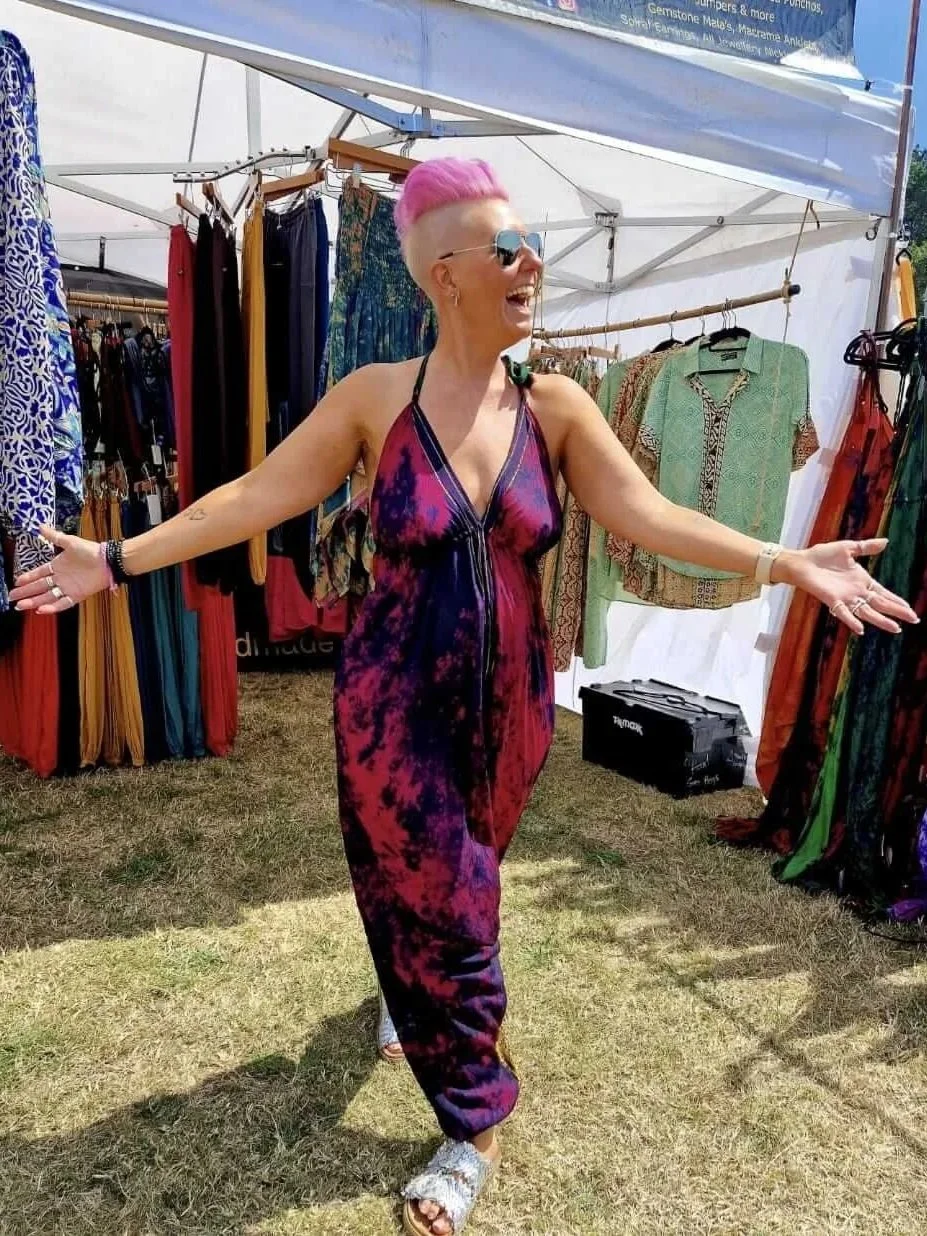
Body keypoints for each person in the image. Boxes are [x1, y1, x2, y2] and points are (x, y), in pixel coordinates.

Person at [10, 159, 919, 1236]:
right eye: (506, 247)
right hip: (391, 707)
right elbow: (254, 497)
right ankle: (472, 1121)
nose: (532, 261)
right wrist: (116, 560)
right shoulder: (375, 400)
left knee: (458, 891)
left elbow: (649, 517)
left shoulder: (558, 405)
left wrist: (784, 560)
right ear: (443, 275)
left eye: (530, 242)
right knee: (444, 898)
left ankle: (409, 991)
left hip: (511, 713)